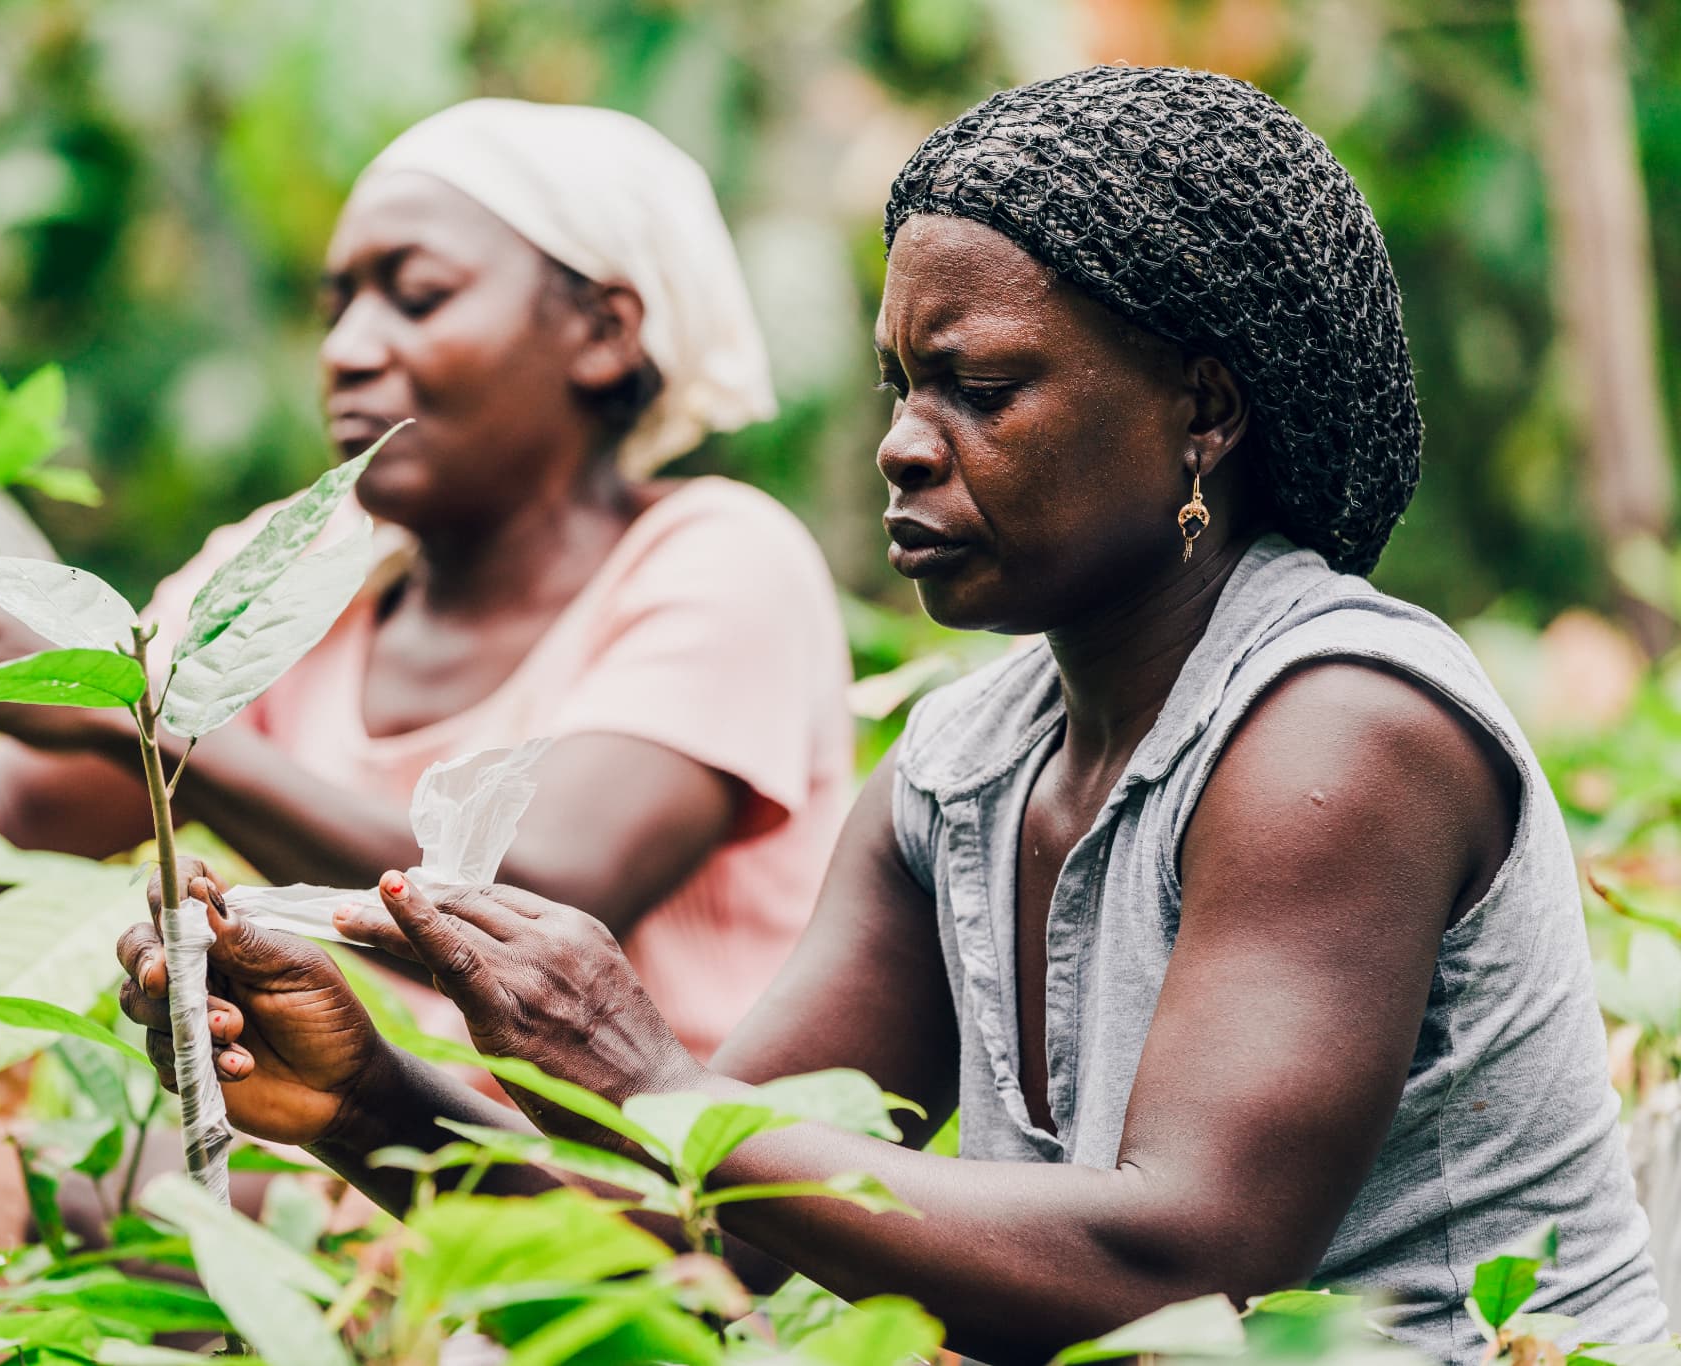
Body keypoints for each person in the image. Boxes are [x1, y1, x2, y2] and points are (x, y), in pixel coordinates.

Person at [116, 66, 1669, 1364]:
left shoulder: (1339, 729)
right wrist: (367, 1097)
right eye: (897, 388)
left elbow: (1186, 1263)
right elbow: (707, 1229)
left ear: (1204, 413)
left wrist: (653, 1073)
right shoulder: (962, 774)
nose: (907, 450)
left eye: (981, 388)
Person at [0, 99, 853, 1062]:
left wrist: (130, 718)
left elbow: (544, 899)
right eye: (335, 305)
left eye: (416, 296)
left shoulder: (718, 558)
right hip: (343, 1194)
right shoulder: (296, 566)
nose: (347, 348)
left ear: (603, 333)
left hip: (637, 1225)